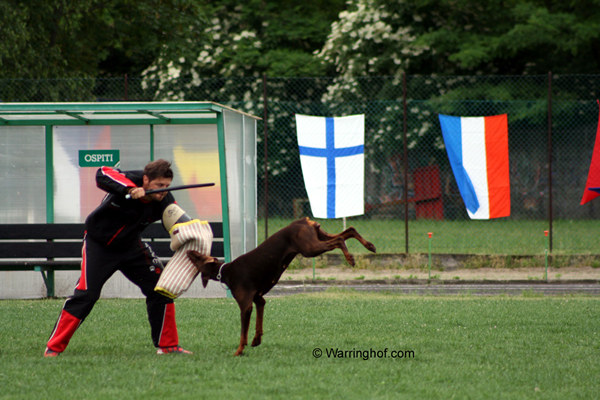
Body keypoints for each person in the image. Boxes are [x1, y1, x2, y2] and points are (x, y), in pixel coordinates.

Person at [44, 159, 192, 356]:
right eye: (159, 185)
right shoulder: (130, 179)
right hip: (99, 245)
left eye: (166, 186)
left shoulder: (164, 200)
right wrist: (130, 190)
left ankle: (168, 346)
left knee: (161, 289)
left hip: (131, 247)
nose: (163, 190)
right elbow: (102, 173)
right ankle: (53, 347)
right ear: (146, 179)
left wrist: (193, 235)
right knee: (86, 295)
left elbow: (179, 223)